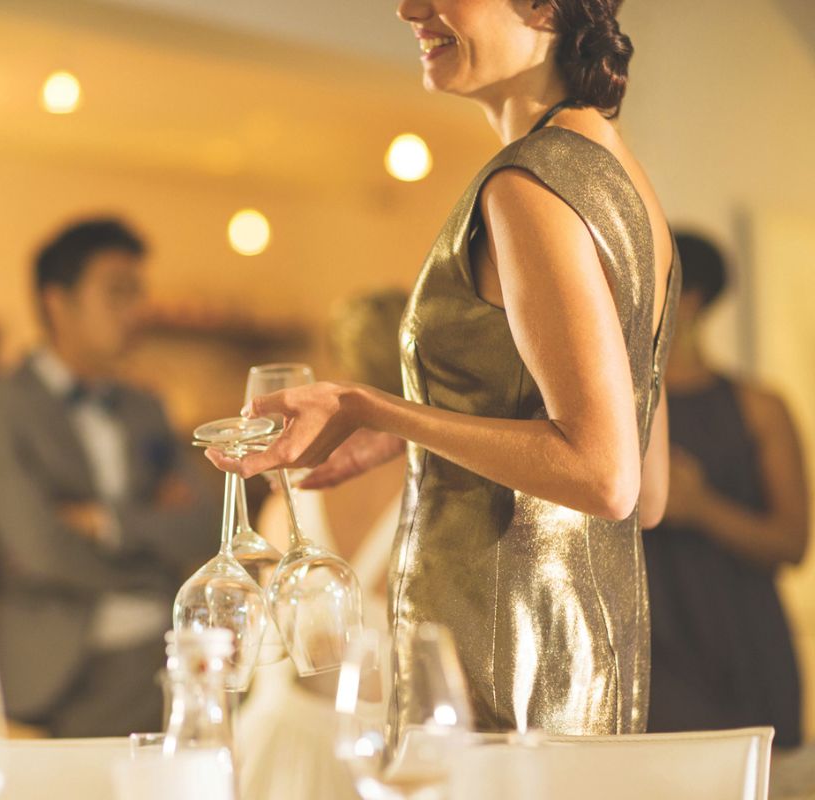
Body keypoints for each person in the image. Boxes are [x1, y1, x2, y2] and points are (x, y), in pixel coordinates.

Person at [209, 0, 679, 735]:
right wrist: (420, 433)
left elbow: (604, 476)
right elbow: (648, 493)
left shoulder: (527, 184)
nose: (408, 8)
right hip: (586, 672)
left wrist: (372, 407)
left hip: (498, 675)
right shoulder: (627, 183)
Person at [0, 217, 218, 737]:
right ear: (58, 303)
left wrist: (110, 524)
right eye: (117, 293)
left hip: (160, 661)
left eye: (139, 292)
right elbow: (39, 547)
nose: (137, 310)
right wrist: (153, 568)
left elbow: (206, 523)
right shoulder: (0, 407)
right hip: (59, 673)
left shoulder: (146, 407)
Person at [237, 289, 410, 800]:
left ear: (338, 372)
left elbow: (268, 641)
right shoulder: (438, 492)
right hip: (386, 755)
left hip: (279, 748)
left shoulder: (289, 496)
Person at [644, 233, 808, 748]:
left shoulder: (759, 408)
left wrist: (701, 508)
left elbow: (792, 543)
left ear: (689, 299)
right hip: (652, 649)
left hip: (744, 642)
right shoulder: (621, 408)